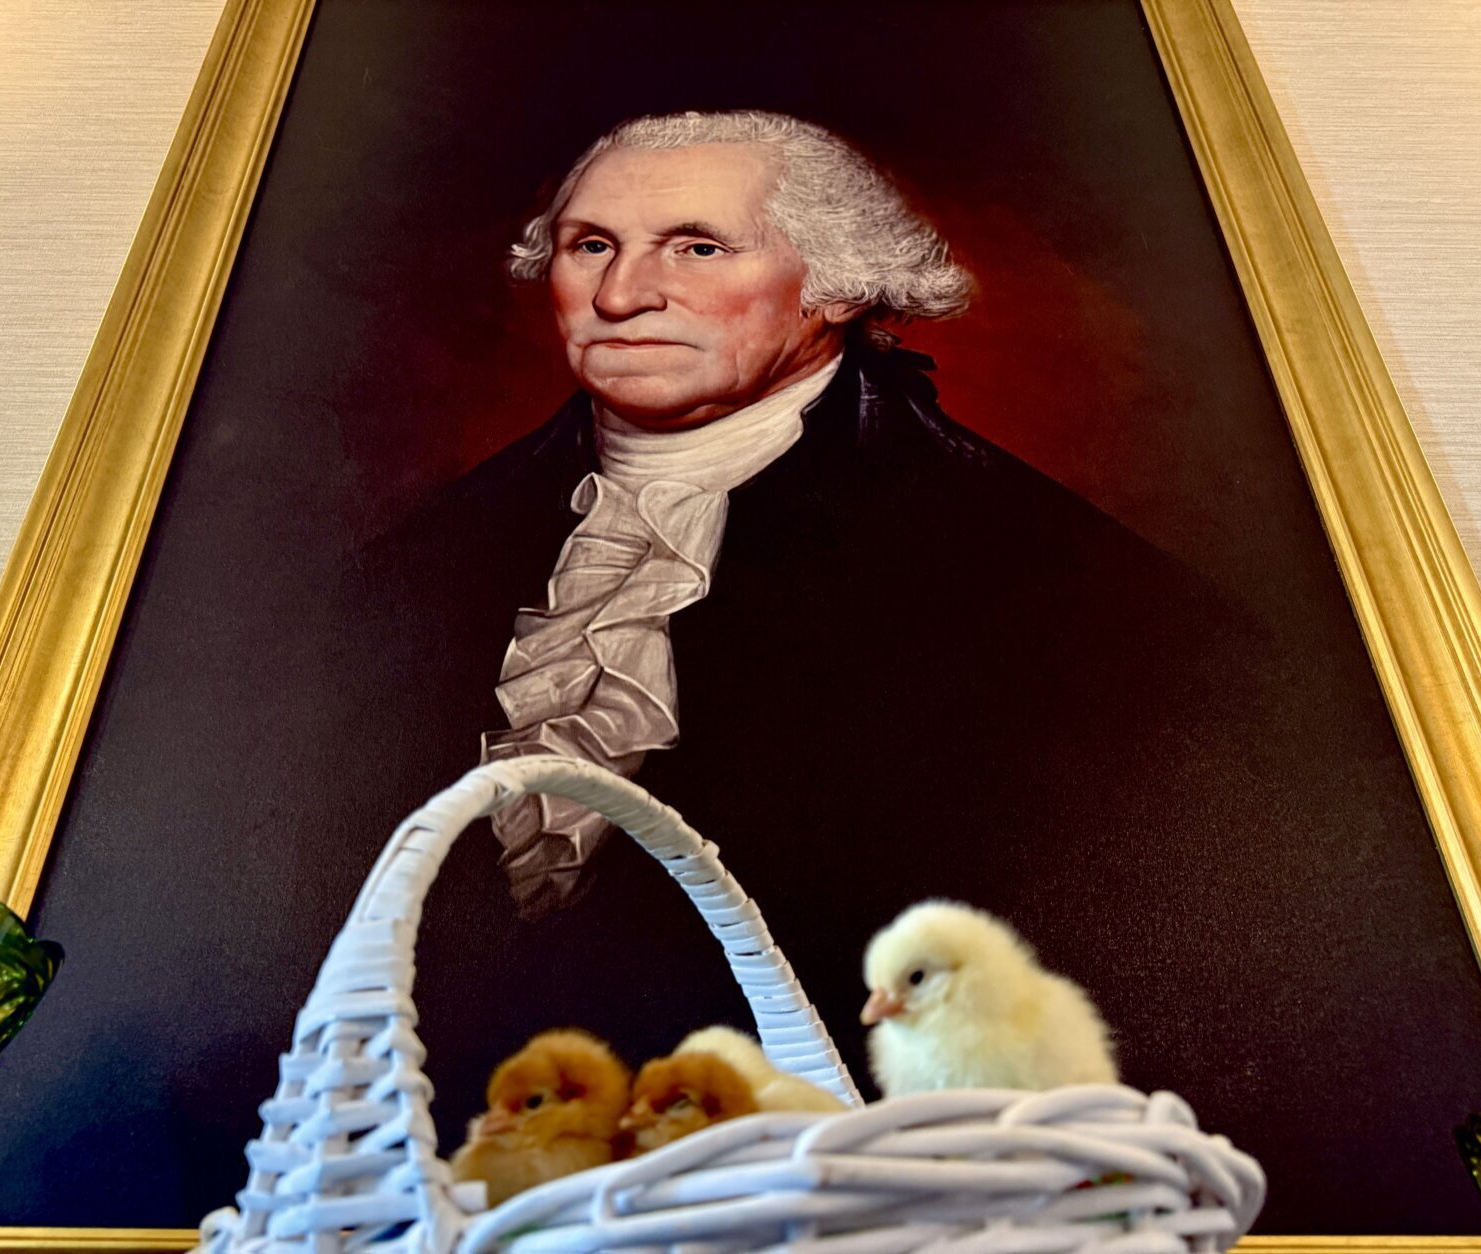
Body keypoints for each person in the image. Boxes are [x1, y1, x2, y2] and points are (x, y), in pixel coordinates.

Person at [353, 110, 1274, 1148]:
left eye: (697, 248)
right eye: (590, 246)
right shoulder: (408, 571)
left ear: (834, 285)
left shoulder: (1048, 577)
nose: (620, 296)